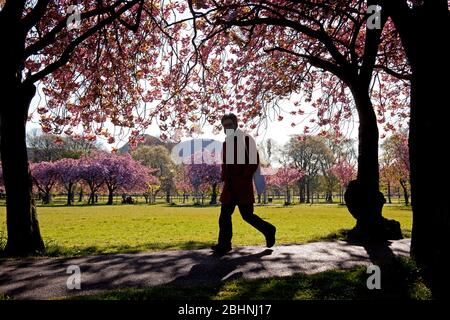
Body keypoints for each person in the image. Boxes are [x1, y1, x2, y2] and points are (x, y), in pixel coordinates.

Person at [211, 113, 276, 255]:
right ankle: (224, 245)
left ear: (235, 124)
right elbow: (225, 163)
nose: (227, 128)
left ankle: (269, 230)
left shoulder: (246, 139)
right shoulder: (226, 143)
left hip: (242, 185)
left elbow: (254, 160)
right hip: (230, 186)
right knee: (224, 216)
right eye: (224, 126)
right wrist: (223, 176)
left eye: (229, 125)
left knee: (247, 215)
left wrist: (244, 176)